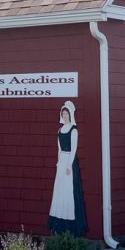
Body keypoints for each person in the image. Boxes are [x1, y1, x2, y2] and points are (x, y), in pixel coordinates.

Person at [47, 101, 87, 236]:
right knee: (60, 191)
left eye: (66, 114)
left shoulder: (73, 130)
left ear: (70, 115)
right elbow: (59, 149)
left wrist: (69, 165)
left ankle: (70, 221)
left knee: (69, 192)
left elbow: (73, 148)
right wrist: (59, 163)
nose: (65, 116)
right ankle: (59, 219)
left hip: (70, 162)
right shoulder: (60, 130)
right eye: (63, 114)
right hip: (62, 162)